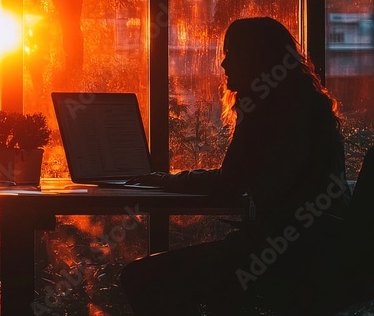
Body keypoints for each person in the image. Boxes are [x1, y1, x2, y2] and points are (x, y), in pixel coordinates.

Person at [120, 17, 351, 314]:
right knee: (221, 289)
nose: (223, 65)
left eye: (232, 54)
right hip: (320, 250)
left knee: (140, 277)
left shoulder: (266, 111)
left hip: (283, 254)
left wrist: (166, 179)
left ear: (257, 60)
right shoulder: (308, 105)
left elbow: (226, 186)